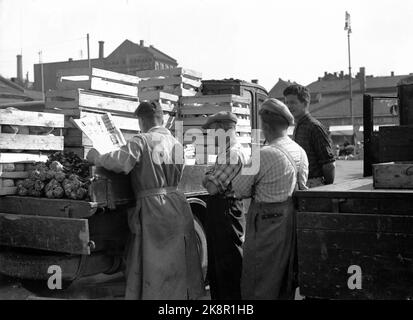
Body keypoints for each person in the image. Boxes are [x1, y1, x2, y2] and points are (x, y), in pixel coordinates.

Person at [87, 101, 205, 300]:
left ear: (141, 120)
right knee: (175, 260)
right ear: (161, 119)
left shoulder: (141, 140)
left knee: (153, 262)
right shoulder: (175, 143)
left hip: (153, 208)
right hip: (177, 204)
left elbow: (121, 163)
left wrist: (97, 157)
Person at [231, 98, 308, 300]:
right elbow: (303, 185)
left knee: (258, 279)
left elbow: (238, 189)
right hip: (290, 223)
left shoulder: (262, 154)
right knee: (284, 279)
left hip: (265, 224)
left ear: (265, 125)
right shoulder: (300, 152)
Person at [201, 111, 249, 300]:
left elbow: (211, 187)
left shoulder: (233, 154)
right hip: (223, 211)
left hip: (226, 212)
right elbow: (208, 179)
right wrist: (208, 176)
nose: (211, 138)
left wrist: (207, 177)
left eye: (213, 132)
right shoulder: (225, 153)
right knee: (218, 268)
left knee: (228, 268)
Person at [283, 84, 336, 188]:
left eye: (293, 102)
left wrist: (326, 190)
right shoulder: (299, 126)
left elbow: (329, 164)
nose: (289, 106)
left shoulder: (314, 127)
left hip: (314, 185)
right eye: (287, 103)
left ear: (305, 103)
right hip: (302, 184)